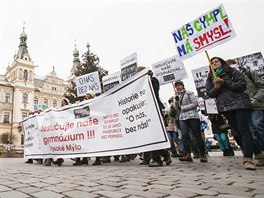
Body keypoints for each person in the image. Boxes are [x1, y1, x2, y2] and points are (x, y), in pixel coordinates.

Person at [206, 57, 264, 170]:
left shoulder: (232, 72)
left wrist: (224, 82)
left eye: (216, 61)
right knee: (237, 133)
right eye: (212, 63)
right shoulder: (211, 78)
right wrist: (217, 88)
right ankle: (259, 153)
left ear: (221, 62)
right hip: (226, 108)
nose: (214, 64)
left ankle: (247, 158)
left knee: (244, 130)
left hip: (240, 104)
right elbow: (210, 93)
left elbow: (241, 86)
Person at [136, 66, 171, 167]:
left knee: (154, 134)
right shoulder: (139, 84)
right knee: (149, 135)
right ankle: (165, 155)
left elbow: (153, 93)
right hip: (145, 109)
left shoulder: (152, 80)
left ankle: (157, 159)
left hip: (153, 108)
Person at [174, 80, 208, 163]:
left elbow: (195, 103)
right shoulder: (176, 96)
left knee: (197, 135)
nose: (178, 87)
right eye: (176, 86)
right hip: (183, 117)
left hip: (192, 116)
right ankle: (187, 154)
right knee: (185, 135)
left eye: (179, 85)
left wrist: (183, 108)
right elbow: (176, 108)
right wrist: (176, 101)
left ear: (182, 85)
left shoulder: (189, 93)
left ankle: (202, 154)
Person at [73, 90, 95, 166]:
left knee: (91, 143)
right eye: (86, 95)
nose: (87, 96)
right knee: (80, 142)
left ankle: (95, 159)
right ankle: (80, 159)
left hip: (91, 125)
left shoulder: (95, 102)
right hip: (83, 126)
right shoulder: (82, 103)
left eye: (88, 95)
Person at [50, 98, 70, 166]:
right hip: (60, 128)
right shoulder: (59, 109)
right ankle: (59, 159)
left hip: (67, 127)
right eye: (62, 101)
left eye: (65, 101)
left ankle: (60, 159)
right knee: (59, 143)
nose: (63, 102)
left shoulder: (69, 108)